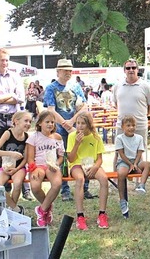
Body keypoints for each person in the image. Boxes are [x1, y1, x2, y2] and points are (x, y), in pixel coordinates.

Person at [0, 48, 31, 200]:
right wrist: (11, 96)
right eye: (2, 60)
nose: (5, 63)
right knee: (1, 151)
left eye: (7, 60)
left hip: (13, 116)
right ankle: (5, 186)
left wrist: (5, 97)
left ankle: (25, 187)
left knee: (20, 148)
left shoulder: (15, 76)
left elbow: (21, 98)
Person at [43, 59, 91, 201]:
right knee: (62, 157)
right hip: (59, 128)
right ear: (58, 71)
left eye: (69, 70)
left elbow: (83, 106)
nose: (68, 73)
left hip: (77, 125)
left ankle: (85, 187)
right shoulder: (51, 88)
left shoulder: (76, 87)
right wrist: (64, 123)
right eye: (65, 70)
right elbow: (50, 109)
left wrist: (73, 121)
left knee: (82, 154)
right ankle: (65, 189)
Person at [67, 111, 110, 230]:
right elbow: (71, 159)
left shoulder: (95, 137)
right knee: (80, 179)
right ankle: (80, 216)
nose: (79, 126)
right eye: (78, 123)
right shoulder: (72, 136)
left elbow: (100, 159)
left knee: (104, 179)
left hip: (92, 164)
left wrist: (95, 167)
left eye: (83, 124)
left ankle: (102, 214)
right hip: (77, 164)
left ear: (89, 125)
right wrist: (76, 143)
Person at [27, 110, 64, 227]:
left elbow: (61, 156)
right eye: (47, 122)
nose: (50, 124)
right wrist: (33, 169)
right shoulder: (34, 137)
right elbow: (30, 158)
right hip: (38, 165)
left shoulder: (57, 137)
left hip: (52, 165)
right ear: (39, 124)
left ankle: (42, 210)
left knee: (57, 184)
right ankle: (47, 206)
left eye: (52, 122)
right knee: (35, 186)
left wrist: (56, 164)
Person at [0, 111, 32, 214]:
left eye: (30, 121)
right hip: (6, 166)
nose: (28, 124)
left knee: (18, 183)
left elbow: (26, 158)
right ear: (16, 121)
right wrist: (10, 154)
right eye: (26, 121)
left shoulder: (27, 137)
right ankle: (16, 209)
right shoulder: (8, 133)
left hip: (19, 167)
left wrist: (17, 169)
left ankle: (12, 210)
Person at [114, 115, 150, 217]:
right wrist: (130, 164)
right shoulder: (119, 138)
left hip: (136, 161)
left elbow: (139, 152)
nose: (131, 128)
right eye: (128, 125)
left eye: (133, 125)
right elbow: (121, 154)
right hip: (124, 161)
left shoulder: (139, 138)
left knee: (147, 164)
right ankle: (122, 200)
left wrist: (135, 164)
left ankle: (142, 185)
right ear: (123, 127)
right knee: (121, 173)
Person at [112, 59, 150, 140]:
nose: (131, 70)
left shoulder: (146, 86)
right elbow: (115, 104)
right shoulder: (117, 86)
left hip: (139, 126)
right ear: (124, 70)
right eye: (128, 68)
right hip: (121, 126)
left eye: (133, 68)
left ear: (137, 69)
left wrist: (142, 116)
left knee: (139, 151)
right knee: (120, 151)